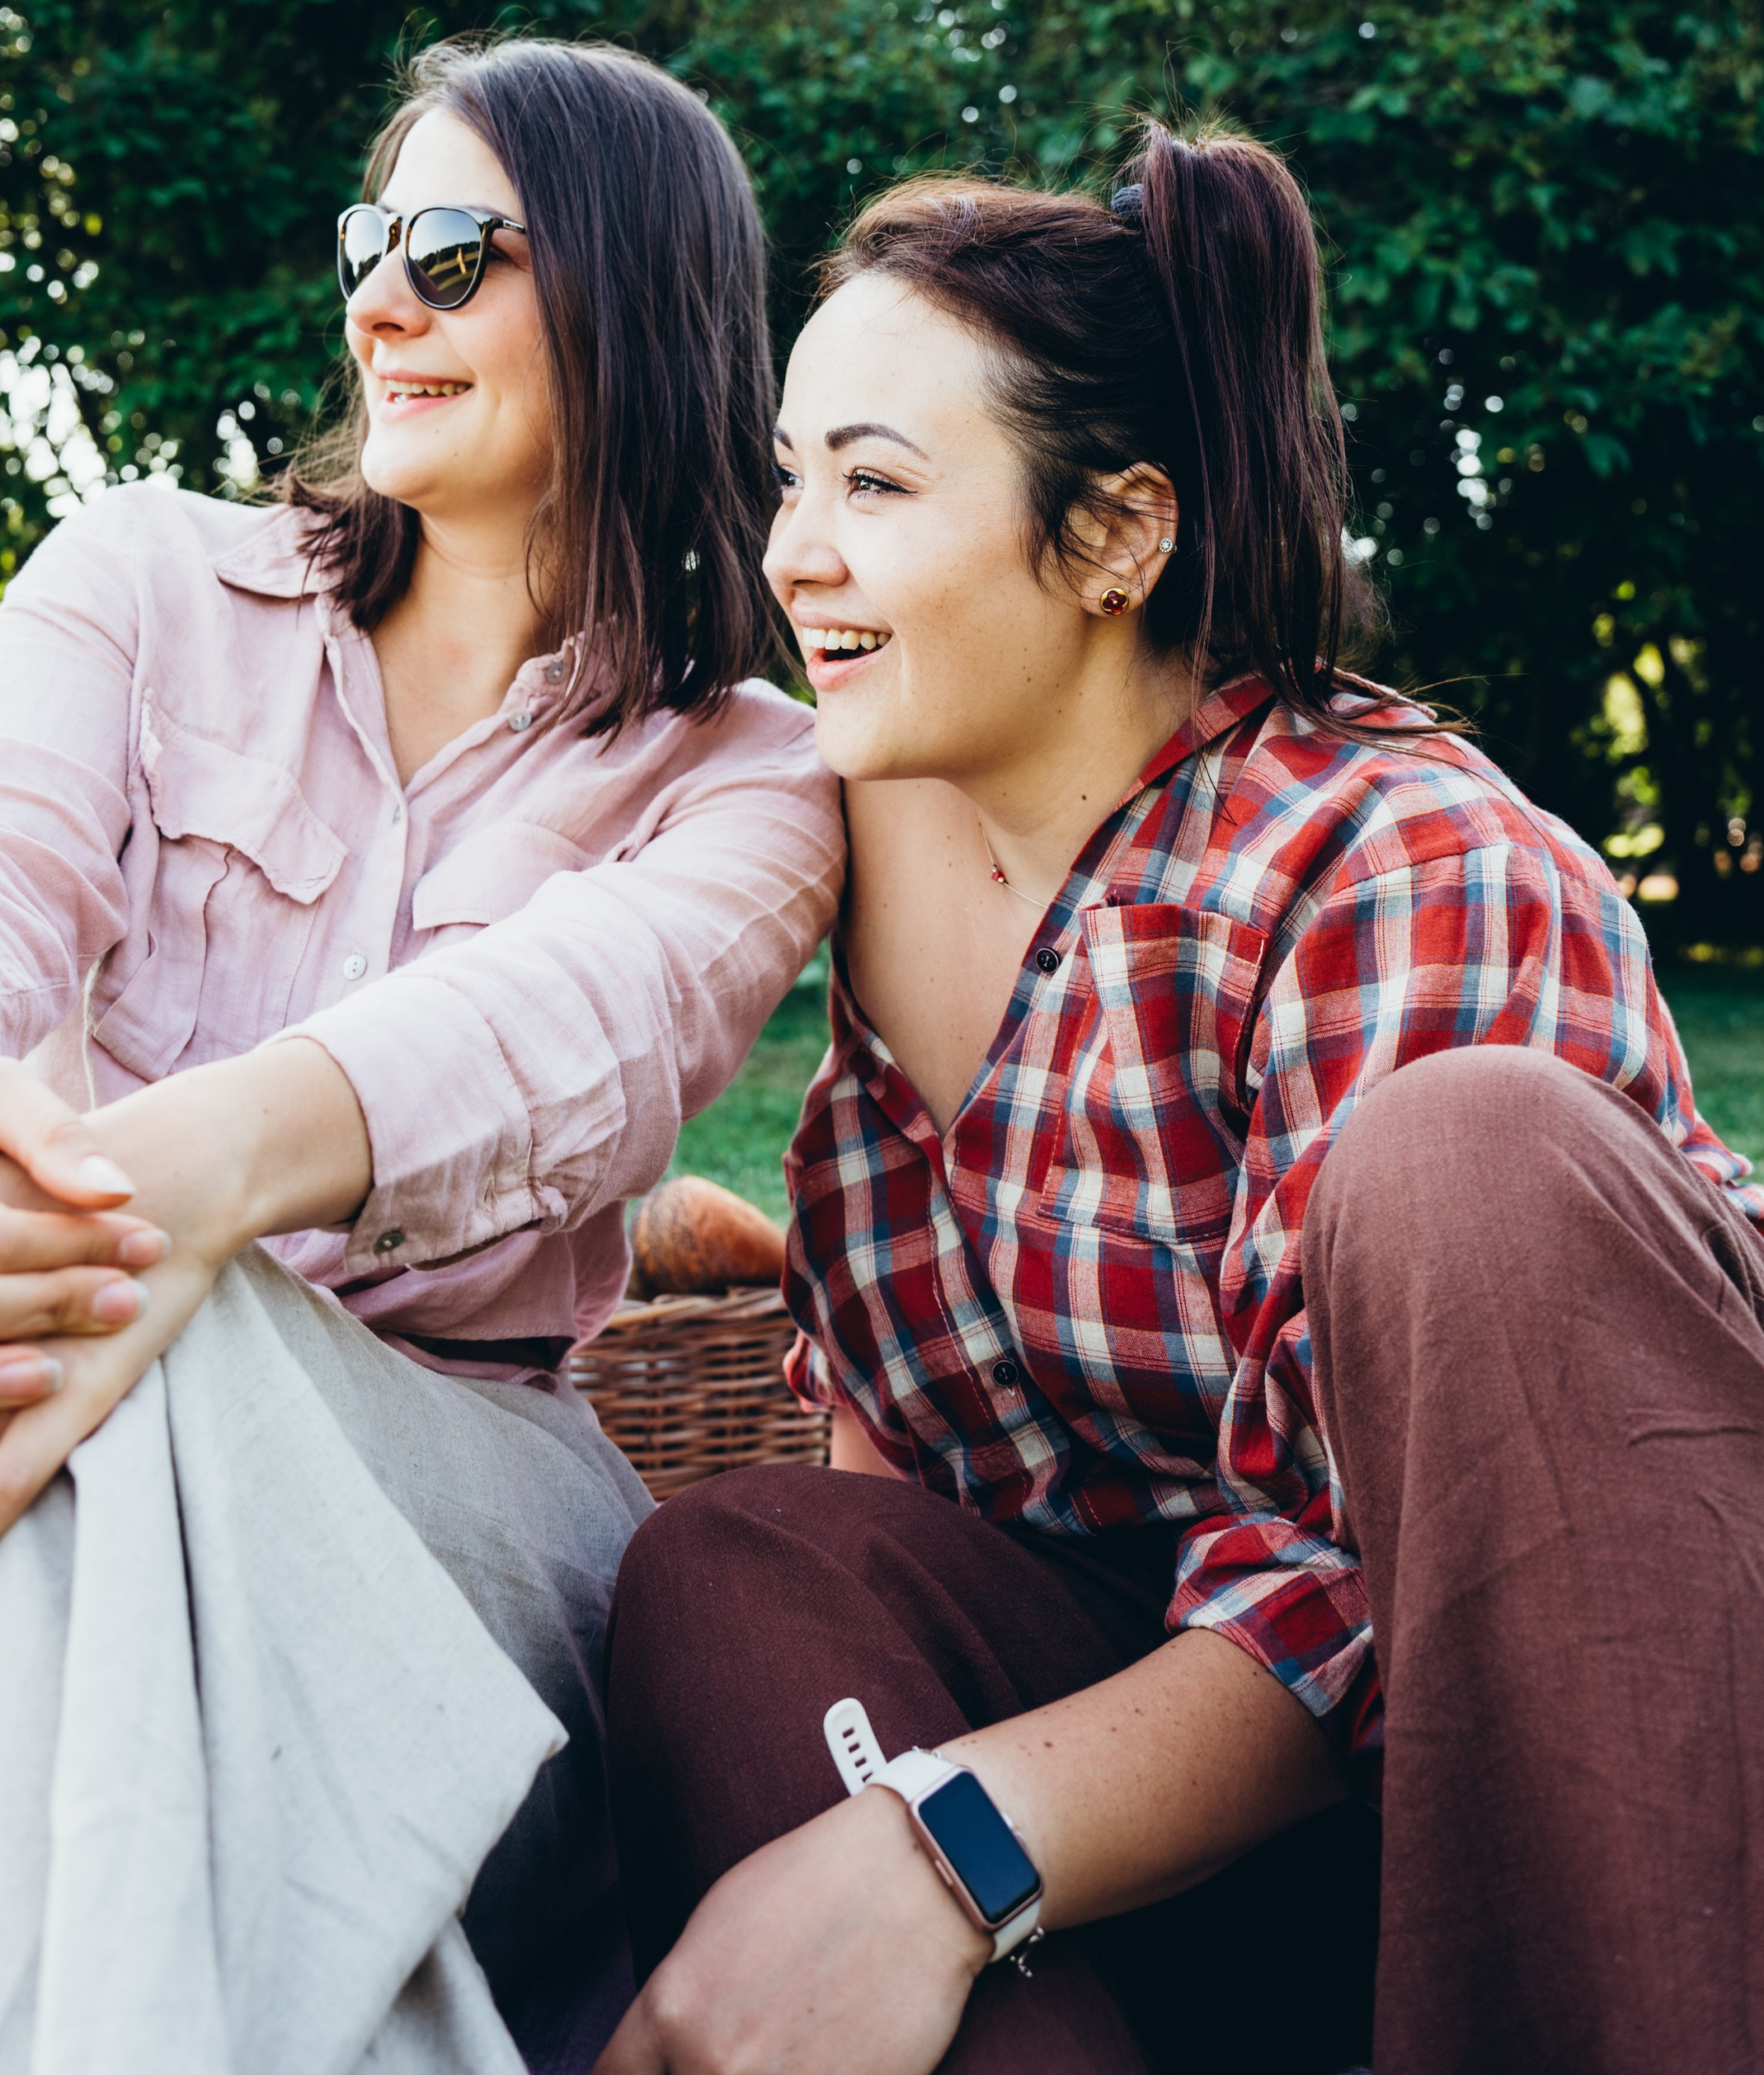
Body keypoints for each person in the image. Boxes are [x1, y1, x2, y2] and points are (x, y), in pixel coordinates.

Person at [0, 37, 841, 2075]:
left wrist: (164, 1199)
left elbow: (568, 1033)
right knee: (82, 1405)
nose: (379, 298)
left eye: (455, 249)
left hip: (465, 1519)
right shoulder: (142, 581)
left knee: (129, 1337)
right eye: (374, 240)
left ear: (637, 295)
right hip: (48, 1423)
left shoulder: (753, 768)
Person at [600, 129, 1764, 2075]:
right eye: (791, 475)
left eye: (872, 485)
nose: (791, 545)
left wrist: (939, 1850)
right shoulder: (871, 840)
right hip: (1183, 1848)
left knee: (1468, 1155)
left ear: (1116, 535)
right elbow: (918, 1480)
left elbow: (1368, 1585)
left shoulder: (1399, 860)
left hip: (1557, 1813)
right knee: (738, 1572)